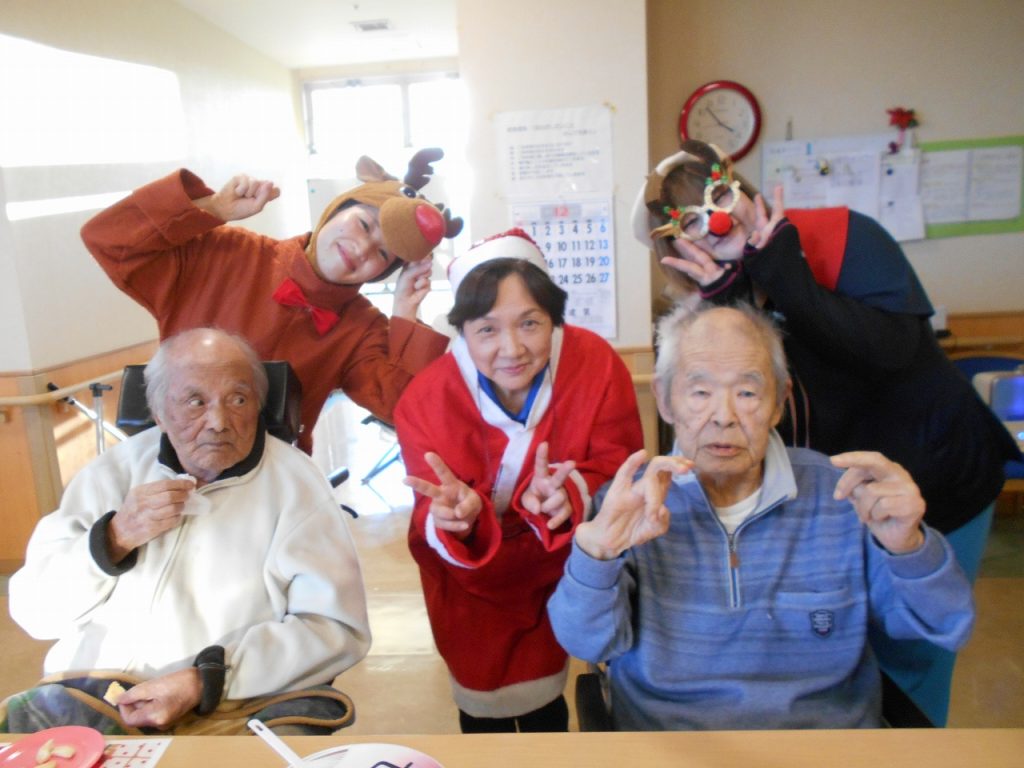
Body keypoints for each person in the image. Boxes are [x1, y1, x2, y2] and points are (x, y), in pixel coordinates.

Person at [630, 140, 1018, 724]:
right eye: (690, 226)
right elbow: (770, 398)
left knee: (917, 649)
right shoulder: (722, 293)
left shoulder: (845, 237)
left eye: (719, 200)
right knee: (858, 648)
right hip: (845, 498)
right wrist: (734, 297)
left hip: (940, 471)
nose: (715, 226)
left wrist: (780, 270)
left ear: (739, 189)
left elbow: (890, 351)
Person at [547, 303, 975, 731]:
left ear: (779, 401)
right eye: (700, 392)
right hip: (673, 743)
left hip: (825, 745)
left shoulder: (842, 494)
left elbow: (946, 623)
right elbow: (587, 642)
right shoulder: (630, 503)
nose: (724, 416)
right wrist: (596, 556)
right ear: (664, 398)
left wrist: (909, 547)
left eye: (747, 393)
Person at [3, 328, 371, 735]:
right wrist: (113, 539)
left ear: (259, 405)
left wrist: (206, 679)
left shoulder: (296, 486)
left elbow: (334, 628)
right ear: (159, 413)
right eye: (196, 402)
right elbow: (36, 614)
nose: (218, 422)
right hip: (95, 693)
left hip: (231, 702)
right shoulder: (110, 474)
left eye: (238, 399)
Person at [394, 229, 644, 733]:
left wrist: (570, 493)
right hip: (468, 581)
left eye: (530, 323)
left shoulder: (595, 365)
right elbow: (428, 505)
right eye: (487, 329)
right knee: (480, 707)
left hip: (556, 567)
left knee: (547, 709)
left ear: (554, 317)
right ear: (462, 331)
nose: (512, 349)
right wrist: (455, 517)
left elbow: (619, 463)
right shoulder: (426, 398)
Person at [81, 149, 463, 454]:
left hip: (273, 491)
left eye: (382, 255)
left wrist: (405, 315)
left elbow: (407, 410)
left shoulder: (362, 328)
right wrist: (213, 208)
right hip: (167, 466)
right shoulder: (225, 253)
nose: (362, 248)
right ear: (337, 208)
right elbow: (109, 239)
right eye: (364, 224)